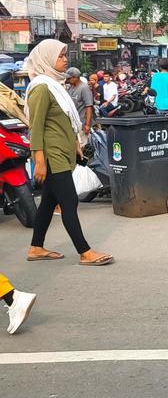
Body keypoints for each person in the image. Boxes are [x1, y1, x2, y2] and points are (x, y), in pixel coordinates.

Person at [24, 39, 114, 266]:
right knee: (70, 201)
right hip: (51, 155)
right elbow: (35, 126)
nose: (66, 60)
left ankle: (36, 247)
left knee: (47, 203)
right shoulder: (41, 88)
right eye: (61, 56)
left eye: (65, 55)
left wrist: (75, 142)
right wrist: (39, 160)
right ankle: (84, 251)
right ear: (46, 59)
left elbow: (63, 120)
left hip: (62, 153)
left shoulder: (56, 86)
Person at [65, 67, 94, 139]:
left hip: (82, 122)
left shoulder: (84, 88)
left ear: (75, 77)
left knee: (82, 145)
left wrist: (87, 124)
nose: (68, 80)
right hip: (74, 122)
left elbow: (89, 106)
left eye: (69, 78)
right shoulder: (71, 88)